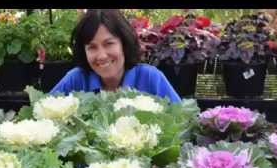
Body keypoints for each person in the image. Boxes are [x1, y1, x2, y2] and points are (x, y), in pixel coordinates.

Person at [50, 9, 181, 103]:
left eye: (109, 44)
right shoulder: (75, 80)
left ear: (124, 43)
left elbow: (184, 122)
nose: (101, 56)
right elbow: (41, 114)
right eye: (92, 47)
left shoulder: (151, 78)